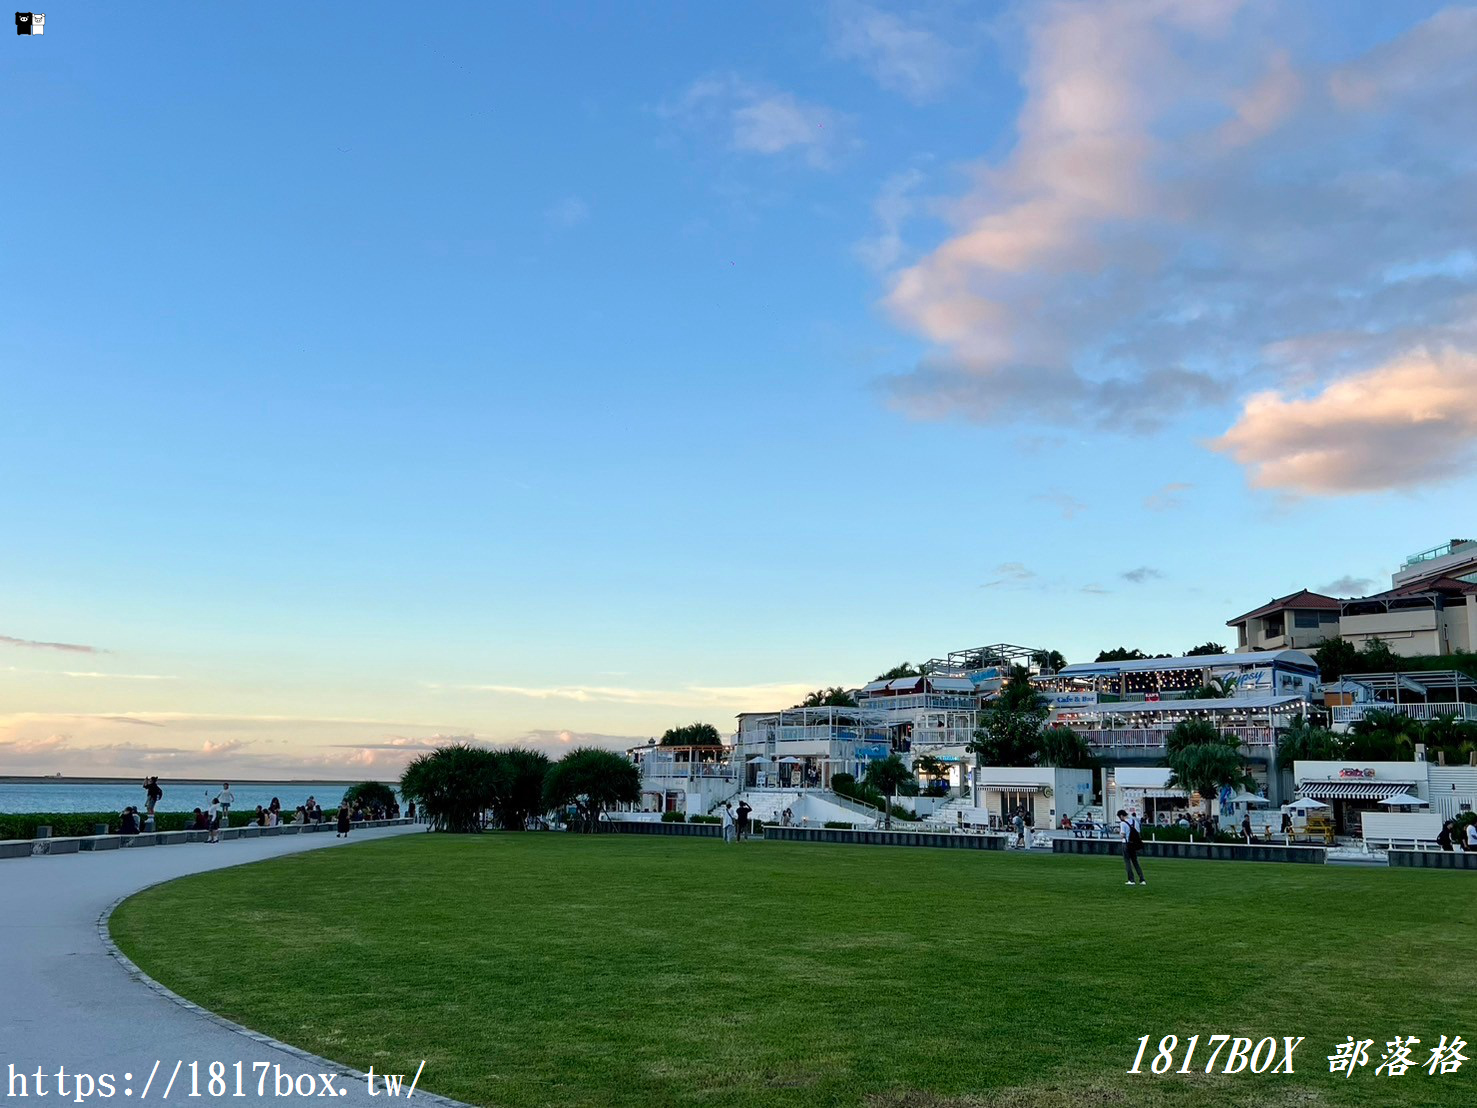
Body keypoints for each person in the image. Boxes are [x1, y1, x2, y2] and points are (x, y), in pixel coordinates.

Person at [1118, 808, 1147, 886]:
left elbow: (1122, 835)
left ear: (1121, 816)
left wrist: (1119, 833)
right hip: (1134, 844)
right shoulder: (1135, 822)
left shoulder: (1122, 823)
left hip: (1126, 844)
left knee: (1127, 862)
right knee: (1135, 861)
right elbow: (1138, 833)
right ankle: (1142, 879)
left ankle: (1131, 879)